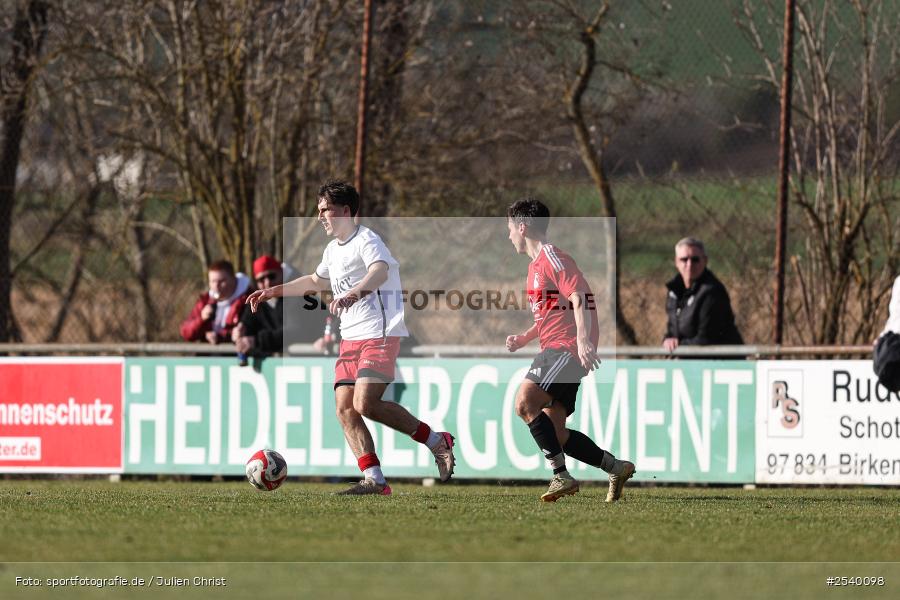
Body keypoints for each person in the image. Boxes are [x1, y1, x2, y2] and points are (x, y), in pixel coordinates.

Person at [246, 180, 455, 495]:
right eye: (319, 211)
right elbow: (316, 281)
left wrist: (354, 293)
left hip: (379, 333)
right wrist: (271, 291)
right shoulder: (332, 250)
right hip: (350, 338)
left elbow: (380, 270)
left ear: (345, 211)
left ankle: (437, 441)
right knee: (345, 408)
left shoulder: (366, 239)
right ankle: (375, 479)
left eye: (325, 210)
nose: (321, 217)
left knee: (365, 403)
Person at [505, 198, 635, 503]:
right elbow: (553, 312)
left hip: (564, 348)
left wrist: (582, 340)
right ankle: (614, 467)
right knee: (555, 431)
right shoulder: (535, 267)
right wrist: (525, 337)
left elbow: (578, 296)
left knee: (524, 402)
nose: (508, 235)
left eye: (510, 228)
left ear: (522, 227)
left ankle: (561, 476)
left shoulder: (552, 257)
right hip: (561, 346)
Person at [233, 255, 330, 358]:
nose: (267, 282)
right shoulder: (258, 299)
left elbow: (295, 330)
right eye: (261, 279)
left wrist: (257, 341)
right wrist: (239, 331)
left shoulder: (298, 294)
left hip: (313, 356)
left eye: (271, 276)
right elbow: (247, 324)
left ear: (281, 273)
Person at [662, 237, 743, 353]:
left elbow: (706, 340)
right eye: (684, 259)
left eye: (695, 259)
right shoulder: (674, 292)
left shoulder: (712, 292)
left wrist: (678, 348)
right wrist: (668, 340)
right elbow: (673, 330)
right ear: (676, 262)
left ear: (705, 261)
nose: (689, 264)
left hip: (720, 364)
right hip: (688, 362)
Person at [180, 260, 251, 344]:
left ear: (233, 279)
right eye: (213, 281)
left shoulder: (248, 300)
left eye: (221, 281)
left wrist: (220, 338)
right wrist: (202, 320)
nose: (216, 286)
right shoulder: (206, 301)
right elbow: (186, 332)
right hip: (208, 355)